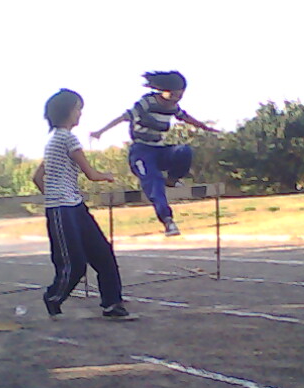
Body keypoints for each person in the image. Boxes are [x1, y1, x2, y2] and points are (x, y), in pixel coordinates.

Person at [32, 88, 132, 320]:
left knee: (103, 253)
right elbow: (91, 174)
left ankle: (113, 304)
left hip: (74, 206)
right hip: (63, 209)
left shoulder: (54, 141)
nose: (80, 114)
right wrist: (107, 176)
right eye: (78, 109)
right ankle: (54, 297)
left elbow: (37, 178)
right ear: (67, 111)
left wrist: (53, 194)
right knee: (75, 264)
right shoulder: (67, 138)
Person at [90, 71, 218, 236]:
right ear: (163, 90)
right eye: (172, 95)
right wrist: (100, 131)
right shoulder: (147, 102)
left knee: (184, 151)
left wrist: (205, 127)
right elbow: (123, 117)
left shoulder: (173, 107)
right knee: (155, 182)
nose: (175, 99)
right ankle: (168, 221)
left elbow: (185, 117)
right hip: (141, 152)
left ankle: (172, 179)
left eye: (179, 96)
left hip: (160, 150)